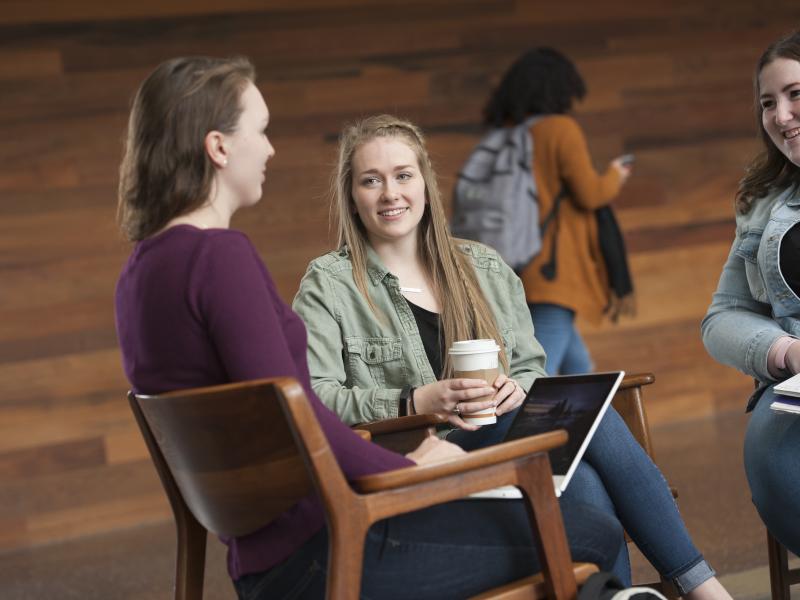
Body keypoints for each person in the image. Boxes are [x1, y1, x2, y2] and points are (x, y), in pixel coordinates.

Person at [113, 56, 624, 600]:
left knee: (579, 492)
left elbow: (286, 420)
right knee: (592, 532)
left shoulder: (140, 271)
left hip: (270, 555)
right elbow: (298, 419)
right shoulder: (220, 258)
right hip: (333, 547)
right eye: (261, 132)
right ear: (218, 147)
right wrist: (413, 466)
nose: (269, 149)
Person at [292, 114, 731, 599]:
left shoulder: (484, 267)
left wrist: (515, 387)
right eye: (370, 181)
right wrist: (415, 399)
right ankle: (703, 589)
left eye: (403, 175)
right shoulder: (328, 285)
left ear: (425, 183)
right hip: (421, 459)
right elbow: (315, 399)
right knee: (592, 428)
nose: (390, 193)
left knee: (580, 471)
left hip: (503, 439)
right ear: (352, 195)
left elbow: (528, 367)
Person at [702, 30, 800, 557]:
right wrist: (785, 352)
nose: (781, 116)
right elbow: (724, 316)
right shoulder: (762, 202)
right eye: (768, 103)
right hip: (795, 396)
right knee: (778, 456)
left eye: (795, 94)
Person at [483, 47, 635, 376]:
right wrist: (615, 175)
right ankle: (526, 429)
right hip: (554, 267)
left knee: (578, 368)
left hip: (515, 264)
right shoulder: (559, 131)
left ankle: (594, 426)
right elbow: (590, 194)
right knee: (537, 377)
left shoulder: (506, 137)